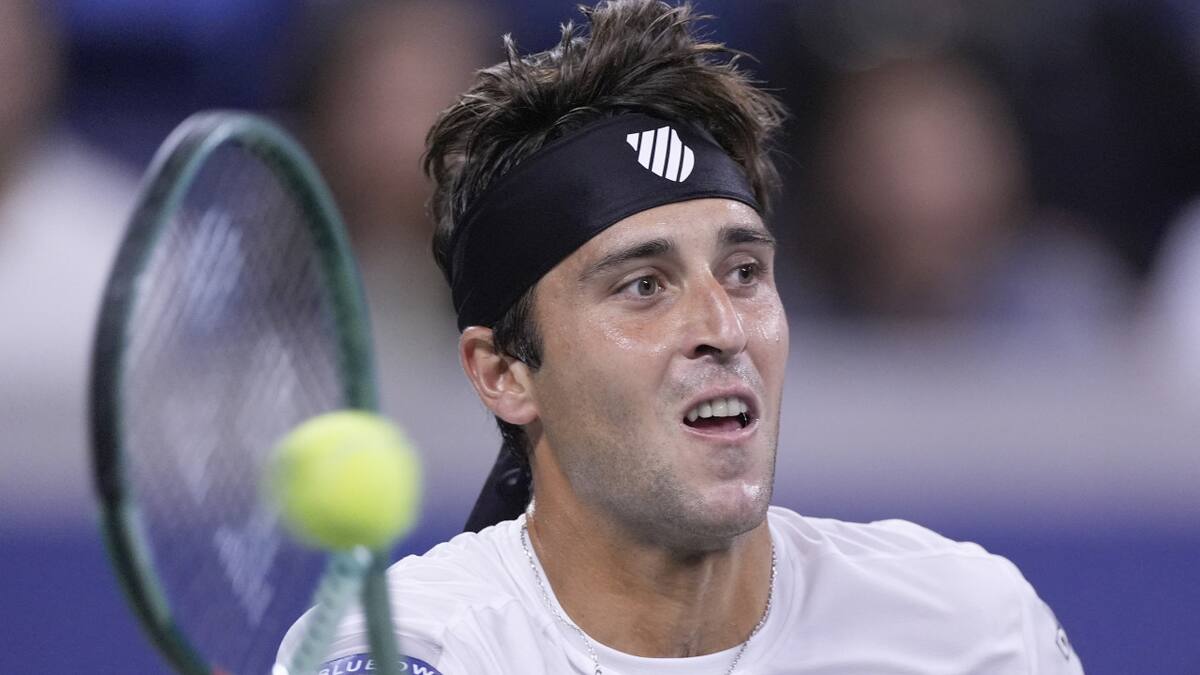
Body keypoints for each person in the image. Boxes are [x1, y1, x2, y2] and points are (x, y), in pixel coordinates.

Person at [279, 1, 1083, 672]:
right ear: (503, 372)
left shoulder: (974, 629)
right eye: (643, 286)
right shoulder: (413, 648)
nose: (722, 328)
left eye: (742, 273)